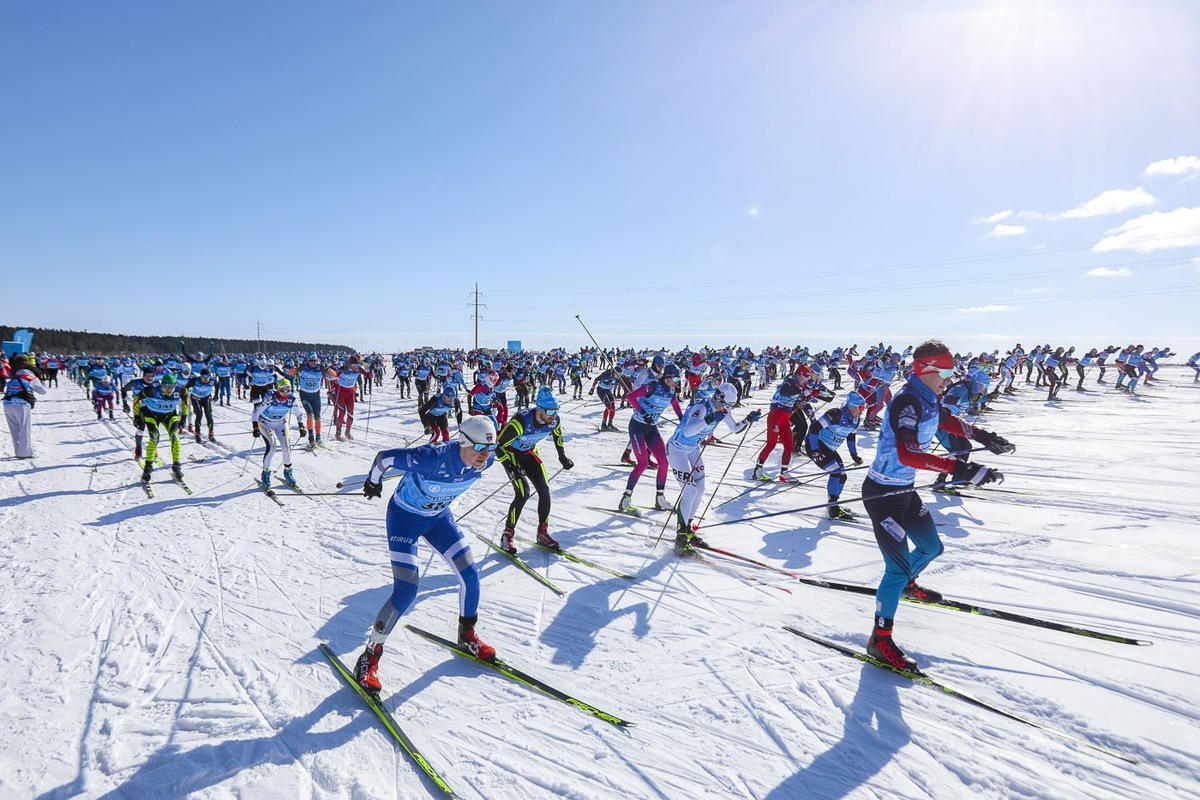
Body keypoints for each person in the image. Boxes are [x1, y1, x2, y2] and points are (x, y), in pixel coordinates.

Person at [861, 339, 1014, 672]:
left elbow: (945, 420)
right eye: (945, 373)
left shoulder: (928, 397)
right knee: (895, 568)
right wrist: (961, 469)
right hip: (882, 495)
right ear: (927, 369)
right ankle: (880, 640)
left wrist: (984, 436)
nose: (949, 379)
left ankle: (906, 585)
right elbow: (907, 454)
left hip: (905, 490)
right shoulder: (906, 402)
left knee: (931, 547)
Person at [353, 415, 498, 698]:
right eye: (480, 447)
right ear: (463, 441)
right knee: (407, 589)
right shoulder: (431, 458)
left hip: (438, 520)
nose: (485, 455)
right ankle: (369, 657)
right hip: (404, 520)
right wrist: (373, 481)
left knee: (470, 575)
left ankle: (467, 636)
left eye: (491, 448)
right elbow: (384, 458)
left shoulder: (486, 460)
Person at [667, 383, 759, 556]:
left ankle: (688, 528)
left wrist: (748, 419)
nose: (726, 408)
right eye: (726, 404)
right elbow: (688, 431)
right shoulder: (701, 407)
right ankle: (680, 537)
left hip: (692, 449)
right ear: (718, 397)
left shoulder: (722, 409)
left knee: (700, 489)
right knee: (689, 491)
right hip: (677, 449)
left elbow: (735, 429)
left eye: (730, 406)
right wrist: (710, 419)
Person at [496, 386, 574, 554]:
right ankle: (507, 534)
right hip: (511, 454)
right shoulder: (522, 421)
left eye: (556, 410)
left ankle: (542, 533)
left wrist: (562, 457)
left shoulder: (554, 420)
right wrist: (511, 466)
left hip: (529, 453)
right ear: (539, 409)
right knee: (523, 492)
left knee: (544, 490)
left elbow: (558, 436)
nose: (553, 415)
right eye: (549, 411)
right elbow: (499, 445)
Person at [619, 363, 684, 512]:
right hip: (637, 427)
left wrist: (683, 421)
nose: (677, 381)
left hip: (651, 429)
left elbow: (675, 406)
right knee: (642, 463)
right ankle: (625, 498)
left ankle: (660, 499)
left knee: (664, 462)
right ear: (667, 377)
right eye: (675, 378)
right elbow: (630, 397)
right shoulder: (653, 386)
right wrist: (644, 413)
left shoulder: (671, 391)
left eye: (678, 379)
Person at [805, 390, 866, 519]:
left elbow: (851, 437)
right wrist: (815, 450)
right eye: (861, 407)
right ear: (851, 406)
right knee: (836, 473)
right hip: (815, 445)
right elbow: (814, 428)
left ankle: (833, 504)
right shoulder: (836, 414)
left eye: (864, 407)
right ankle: (833, 505)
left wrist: (854, 455)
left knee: (842, 476)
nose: (863, 410)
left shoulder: (855, 420)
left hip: (829, 449)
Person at [252, 377, 305, 488]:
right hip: (265, 423)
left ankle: (288, 471)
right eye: (282, 390)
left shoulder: (292, 399)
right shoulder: (270, 398)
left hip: (281, 423)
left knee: (286, 447)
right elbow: (256, 412)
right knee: (272, 446)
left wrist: (301, 426)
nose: (285, 393)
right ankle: (266, 473)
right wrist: (255, 427)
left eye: (288, 390)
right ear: (277, 389)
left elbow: (299, 413)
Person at [134, 371, 185, 482]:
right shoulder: (152, 390)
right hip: (152, 414)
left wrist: (184, 417)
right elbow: (136, 398)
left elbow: (185, 402)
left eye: (172, 386)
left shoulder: (180, 390)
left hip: (169, 415)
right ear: (162, 385)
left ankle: (176, 466)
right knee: (154, 439)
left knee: (175, 437)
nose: (169, 389)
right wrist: (137, 416)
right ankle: (148, 468)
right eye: (166, 386)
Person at [3, 355, 47, 458]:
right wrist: (43, 381)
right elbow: (43, 391)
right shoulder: (30, 377)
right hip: (21, 404)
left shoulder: (14, 377)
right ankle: (24, 453)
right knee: (24, 428)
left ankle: (18, 452)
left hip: (7, 403)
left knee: (14, 429)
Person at [296, 352, 327, 446]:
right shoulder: (303, 367)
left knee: (317, 416)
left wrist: (328, 370)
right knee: (310, 415)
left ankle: (318, 437)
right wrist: (296, 369)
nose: (313, 362)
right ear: (307, 361)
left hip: (315, 395)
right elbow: (290, 373)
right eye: (311, 360)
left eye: (315, 360)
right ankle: (311, 436)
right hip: (305, 394)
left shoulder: (320, 367)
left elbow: (334, 375)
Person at [187, 369, 218, 442]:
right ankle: (197, 434)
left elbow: (217, 385)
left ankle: (211, 434)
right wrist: (185, 395)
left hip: (206, 398)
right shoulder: (195, 380)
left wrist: (216, 395)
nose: (206, 379)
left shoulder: (212, 380)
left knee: (209, 415)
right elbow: (186, 387)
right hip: (195, 398)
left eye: (208, 376)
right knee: (199, 414)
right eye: (204, 377)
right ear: (200, 376)